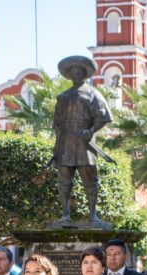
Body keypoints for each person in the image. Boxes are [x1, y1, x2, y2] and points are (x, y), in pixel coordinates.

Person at [53, 55, 113, 224]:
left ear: (84, 74)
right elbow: (56, 123)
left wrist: (91, 130)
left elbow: (103, 117)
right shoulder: (62, 96)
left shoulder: (92, 93)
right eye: (73, 72)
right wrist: (56, 146)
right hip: (65, 144)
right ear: (70, 75)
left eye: (79, 71)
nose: (76, 74)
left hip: (84, 144)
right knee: (64, 180)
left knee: (90, 180)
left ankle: (93, 215)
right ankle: (65, 214)